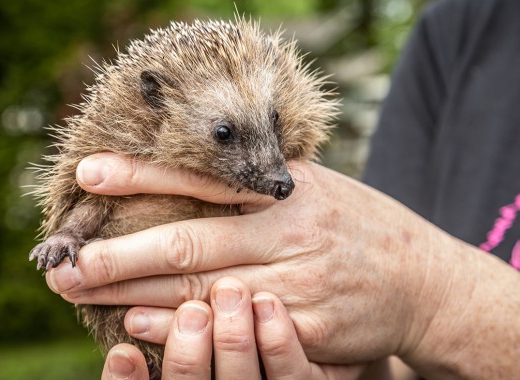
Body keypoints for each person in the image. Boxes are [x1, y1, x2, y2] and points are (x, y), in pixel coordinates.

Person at [45, 0, 520, 378]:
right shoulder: (456, 34)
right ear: (155, 107)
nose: (277, 173)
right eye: (226, 136)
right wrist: (347, 361)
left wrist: (430, 298)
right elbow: (376, 327)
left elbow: (397, 297)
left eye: (272, 123)